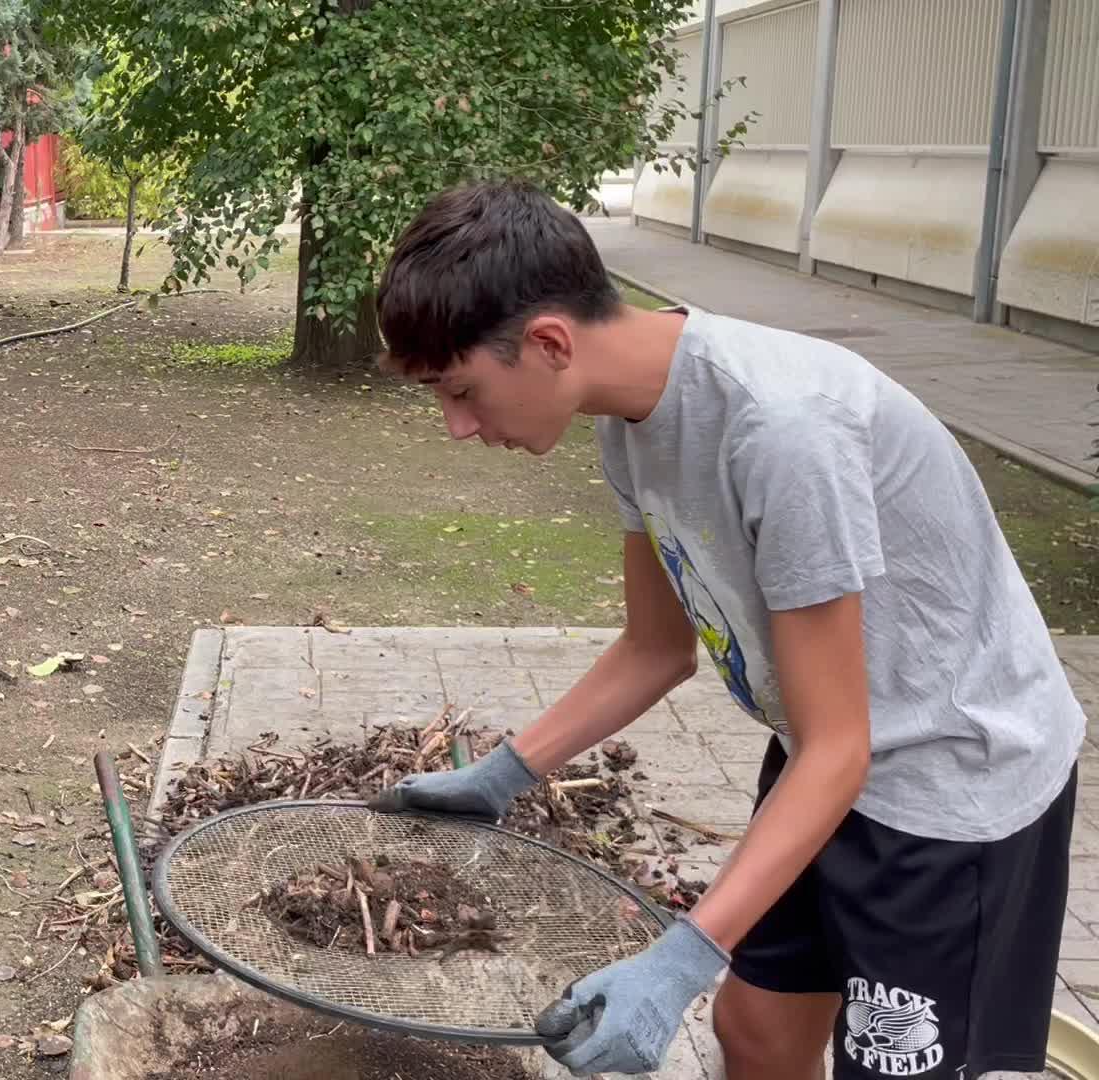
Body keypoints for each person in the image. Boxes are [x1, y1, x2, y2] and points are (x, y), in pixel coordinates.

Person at [365, 181, 1086, 1080]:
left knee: (892, 1061)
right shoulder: (631, 422)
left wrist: (680, 960)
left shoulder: (784, 431)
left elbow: (842, 748)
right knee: (756, 1031)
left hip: (952, 784)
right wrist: (503, 775)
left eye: (462, 390)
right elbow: (656, 650)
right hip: (831, 750)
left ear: (549, 342)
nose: (458, 426)